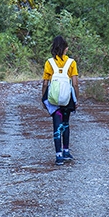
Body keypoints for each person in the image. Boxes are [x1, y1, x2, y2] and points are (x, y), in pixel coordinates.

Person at [41, 35, 79, 166]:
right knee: (66, 123)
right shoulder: (71, 63)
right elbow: (74, 83)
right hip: (67, 99)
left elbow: (45, 83)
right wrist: (76, 99)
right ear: (64, 48)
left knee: (56, 125)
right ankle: (66, 151)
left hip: (53, 98)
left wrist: (43, 97)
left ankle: (58, 156)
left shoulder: (49, 63)